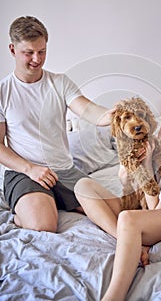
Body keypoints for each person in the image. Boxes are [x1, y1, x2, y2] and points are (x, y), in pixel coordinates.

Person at [75, 97, 161, 301]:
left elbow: (156, 209)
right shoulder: (149, 138)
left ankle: (114, 295)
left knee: (127, 218)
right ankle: (130, 241)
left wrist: (148, 167)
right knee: (83, 187)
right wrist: (125, 173)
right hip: (142, 205)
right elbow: (128, 179)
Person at [0, 15, 113, 233]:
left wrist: (114, 115)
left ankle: (58, 199)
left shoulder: (59, 83)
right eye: (29, 52)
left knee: (114, 209)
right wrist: (31, 169)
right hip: (25, 172)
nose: (36, 59)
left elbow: (90, 112)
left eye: (42, 51)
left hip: (64, 169)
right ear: (13, 50)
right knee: (44, 226)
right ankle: (25, 214)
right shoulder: (3, 92)